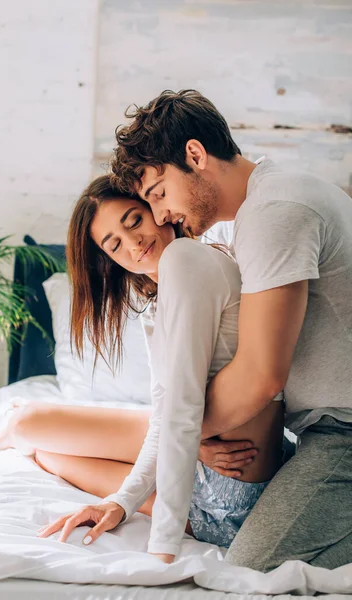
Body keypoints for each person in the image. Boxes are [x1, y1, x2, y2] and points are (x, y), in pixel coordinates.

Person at [0, 176, 285, 562]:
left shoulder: (196, 263)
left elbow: (179, 412)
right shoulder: (159, 299)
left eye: (133, 221)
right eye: (114, 244)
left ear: (158, 210)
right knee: (44, 452)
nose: (133, 243)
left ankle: (14, 433)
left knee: (32, 429)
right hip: (205, 478)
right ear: (109, 259)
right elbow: (172, 409)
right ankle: (14, 435)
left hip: (224, 500)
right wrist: (120, 503)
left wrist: (161, 554)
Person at [109, 89, 352, 571]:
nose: (160, 217)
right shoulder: (265, 206)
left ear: (195, 155)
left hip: (342, 433)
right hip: (321, 430)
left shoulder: (274, 212)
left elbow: (261, 377)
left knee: (247, 571)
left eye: (158, 193)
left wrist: (182, 436)